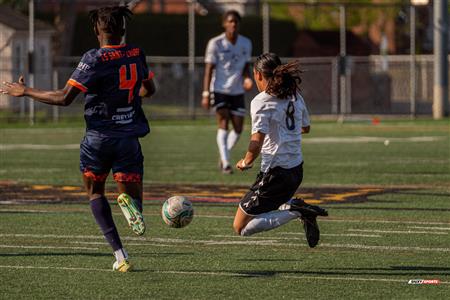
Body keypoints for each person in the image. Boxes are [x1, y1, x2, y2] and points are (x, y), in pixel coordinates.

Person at [0, 6, 156, 272]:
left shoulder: (93, 59)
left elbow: (64, 98)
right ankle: (133, 207)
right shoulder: (136, 54)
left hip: (98, 140)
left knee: (95, 192)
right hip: (128, 138)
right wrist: (125, 94)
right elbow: (148, 89)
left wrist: (25, 90)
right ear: (122, 30)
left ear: (97, 31)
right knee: (133, 202)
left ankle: (120, 256)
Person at [232, 53, 328, 247]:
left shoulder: (261, 101)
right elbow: (305, 128)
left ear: (258, 75)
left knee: (240, 227)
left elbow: (256, 141)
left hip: (275, 173)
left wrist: (246, 161)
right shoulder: (294, 95)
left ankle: (298, 211)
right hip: (296, 170)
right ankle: (295, 207)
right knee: (276, 202)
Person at [201, 10, 253, 174]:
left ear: (239, 25)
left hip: (237, 90)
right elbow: (209, 69)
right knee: (223, 122)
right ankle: (225, 163)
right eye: (230, 21)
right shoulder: (215, 43)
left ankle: (224, 154)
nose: (233, 24)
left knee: (238, 128)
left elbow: (245, 66)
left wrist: (247, 78)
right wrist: (206, 93)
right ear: (224, 24)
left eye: (236, 22)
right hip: (219, 89)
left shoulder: (246, 43)